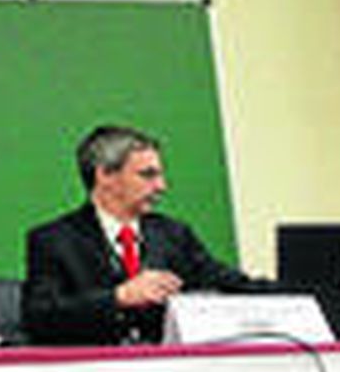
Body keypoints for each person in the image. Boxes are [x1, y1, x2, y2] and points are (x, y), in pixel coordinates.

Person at [23, 125, 260, 346]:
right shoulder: (54, 240)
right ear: (105, 175)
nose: (162, 186)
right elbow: (41, 317)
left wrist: (292, 289)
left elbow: (230, 284)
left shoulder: (174, 235)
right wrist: (118, 297)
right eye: (148, 175)